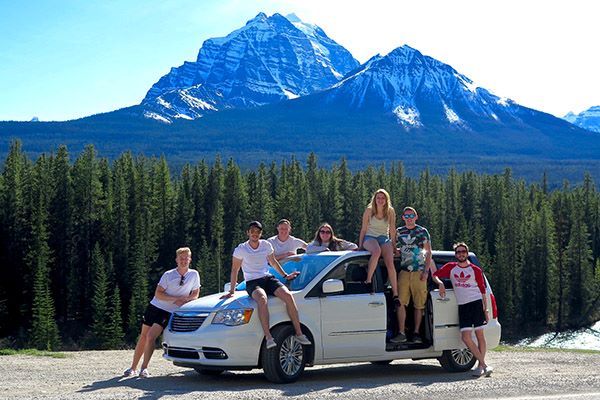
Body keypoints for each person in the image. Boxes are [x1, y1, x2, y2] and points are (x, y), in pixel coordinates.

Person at [222, 221, 311, 349]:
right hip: (252, 282)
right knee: (262, 299)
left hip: (267, 278)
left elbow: (273, 262)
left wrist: (285, 275)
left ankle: (299, 332)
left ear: (261, 233)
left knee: (288, 295)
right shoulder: (241, 249)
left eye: (257, 232)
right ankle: (268, 337)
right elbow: (235, 270)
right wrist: (231, 291)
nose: (255, 234)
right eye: (252, 231)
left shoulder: (266, 245)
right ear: (248, 233)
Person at [124, 247, 200, 378]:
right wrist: (176, 299)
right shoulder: (168, 275)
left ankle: (144, 368)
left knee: (150, 337)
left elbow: (195, 294)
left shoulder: (194, 275)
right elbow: (158, 294)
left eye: (186, 258)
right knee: (143, 336)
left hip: (167, 312)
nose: (184, 260)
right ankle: (133, 367)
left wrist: (184, 301)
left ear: (190, 259)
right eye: (181, 258)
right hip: (155, 307)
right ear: (176, 260)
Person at [432, 242, 492, 377]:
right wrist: (440, 283)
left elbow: (483, 291)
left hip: (476, 303)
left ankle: (480, 366)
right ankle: (484, 364)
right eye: (458, 252)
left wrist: (486, 310)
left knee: (479, 336)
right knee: (465, 337)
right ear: (455, 255)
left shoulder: (475, 269)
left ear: (467, 253)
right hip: (463, 306)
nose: (461, 254)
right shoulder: (451, 268)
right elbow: (435, 274)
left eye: (463, 251)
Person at [393, 206, 434, 344]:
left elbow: (428, 252)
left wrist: (426, 271)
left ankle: (416, 333)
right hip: (404, 272)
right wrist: (396, 251)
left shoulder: (422, 232)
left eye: (412, 216)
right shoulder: (399, 232)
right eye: (407, 216)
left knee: (419, 304)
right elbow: (394, 247)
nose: (409, 219)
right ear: (403, 218)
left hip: (419, 272)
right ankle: (401, 333)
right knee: (400, 303)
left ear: (416, 217)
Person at [358, 189, 399, 302]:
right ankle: (368, 280)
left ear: (386, 200)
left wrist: (394, 246)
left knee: (390, 262)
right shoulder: (369, 210)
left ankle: (395, 293)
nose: (380, 200)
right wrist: (360, 245)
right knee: (376, 252)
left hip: (383, 238)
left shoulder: (390, 211)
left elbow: (392, 230)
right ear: (374, 199)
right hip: (369, 237)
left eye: (383, 198)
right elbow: (364, 229)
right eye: (378, 198)